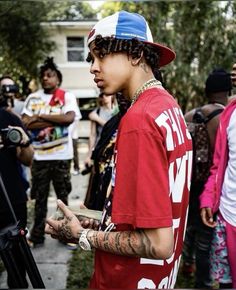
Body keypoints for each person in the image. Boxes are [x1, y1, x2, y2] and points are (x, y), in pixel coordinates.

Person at [45, 11, 192, 289]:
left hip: (127, 279)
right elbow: (154, 210)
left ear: (136, 54)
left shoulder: (139, 119)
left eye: (102, 55)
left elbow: (157, 242)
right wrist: (97, 223)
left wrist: (82, 236)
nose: (93, 67)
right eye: (92, 58)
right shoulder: (167, 105)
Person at [22, 57, 81, 247]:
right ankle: (36, 236)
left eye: (50, 75)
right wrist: (56, 118)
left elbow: (69, 118)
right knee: (39, 198)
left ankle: (66, 234)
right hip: (39, 158)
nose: (45, 78)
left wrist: (39, 116)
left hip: (62, 157)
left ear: (58, 78)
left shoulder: (67, 96)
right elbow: (25, 122)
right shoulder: (33, 98)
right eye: (43, 76)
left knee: (63, 198)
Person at [182, 68, 231, 287]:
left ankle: (187, 264)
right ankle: (203, 281)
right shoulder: (225, 116)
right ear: (228, 90)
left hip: (190, 184)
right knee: (206, 237)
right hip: (212, 189)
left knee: (189, 228)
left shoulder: (189, 115)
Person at [0, 81, 34, 288]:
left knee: (17, 258)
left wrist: (24, 142)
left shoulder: (9, 119)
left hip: (12, 199)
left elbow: (28, 159)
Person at [200, 98, 236, 288]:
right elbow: (219, 165)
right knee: (225, 284)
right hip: (226, 217)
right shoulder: (230, 113)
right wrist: (208, 198)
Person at [84, 92, 115, 170]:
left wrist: (97, 119)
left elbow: (113, 128)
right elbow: (92, 135)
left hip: (114, 147)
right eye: (102, 95)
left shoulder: (117, 111)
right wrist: (89, 155)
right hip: (100, 147)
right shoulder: (96, 112)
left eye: (107, 94)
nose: (105, 97)